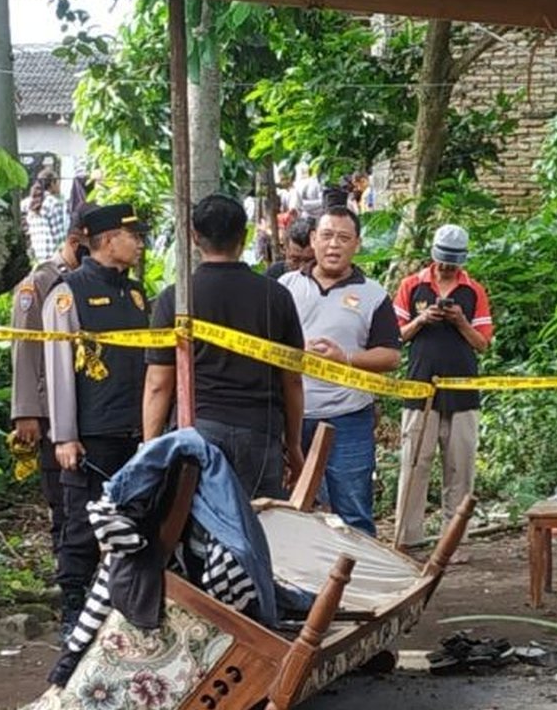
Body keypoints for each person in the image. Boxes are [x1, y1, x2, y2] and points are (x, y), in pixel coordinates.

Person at [143, 194, 306, 500]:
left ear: (194, 237)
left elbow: (158, 384)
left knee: (197, 529)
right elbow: (293, 379)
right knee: (261, 526)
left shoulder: (176, 299)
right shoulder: (276, 296)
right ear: (243, 238)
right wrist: (294, 444)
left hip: (196, 430)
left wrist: (150, 451)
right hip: (259, 432)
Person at [42, 203, 149, 635]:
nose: (139, 243)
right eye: (133, 236)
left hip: (136, 429)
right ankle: (72, 609)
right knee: (83, 524)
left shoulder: (137, 293)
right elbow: (57, 368)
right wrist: (65, 436)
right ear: (108, 241)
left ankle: (124, 609)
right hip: (91, 434)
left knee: (136, 521)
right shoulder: (68, 294)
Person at [280, 206, 401, 535]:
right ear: (314, 240)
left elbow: (391, 356)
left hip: (348, 417)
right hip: (289, 416)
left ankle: (362, 582)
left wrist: (344, 358)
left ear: (357, 244)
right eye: (328, 236)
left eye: (344, 238)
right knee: (288, 510)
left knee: (354, 508)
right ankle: (304, 585)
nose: (334, 245)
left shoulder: (374, 295)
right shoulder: (284, 287)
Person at [391, 224, 493, 550]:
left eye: (453, 262)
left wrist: (460, 321)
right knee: (414, 465)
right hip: (419, 387)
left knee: (460, 469)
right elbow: (394, 337)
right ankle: (407, 539)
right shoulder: (412, 286)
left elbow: (482, 344)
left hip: (463, 390)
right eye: (443, 260)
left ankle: (453, 544)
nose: (447, 267)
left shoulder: (474, 291)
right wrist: (422, 320)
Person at [10, 207, 94, 569]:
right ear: (77, 242)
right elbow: (25, 346)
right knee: (61, 498)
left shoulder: (94, 283)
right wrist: (26, 411)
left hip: (84, 406)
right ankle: (66, 567)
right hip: (47, 411)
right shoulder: (42, 282)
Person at [23, 169, 69, 263]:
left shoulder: (30, 203)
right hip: (53, 257)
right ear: (53, 183)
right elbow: (60, 235)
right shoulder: (54, 203)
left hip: (39, 255)